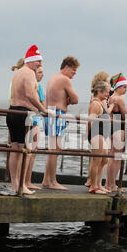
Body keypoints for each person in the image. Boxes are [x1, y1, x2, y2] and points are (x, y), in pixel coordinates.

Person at [7, 45, 47, 194]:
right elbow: (30, 95)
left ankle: (15, 184)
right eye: (38, 61)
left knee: (15, 149)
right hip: (23, 114)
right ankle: (21, 185)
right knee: (23, 150)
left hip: (12, 112)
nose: (40, 65)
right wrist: (43, 110)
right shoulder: (29, 73)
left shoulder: (17, 73)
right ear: (30, 60)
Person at [41, 56, 80, 190]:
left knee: (53, 149)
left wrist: (66, 100)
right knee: (54, 150)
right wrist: (68, 100)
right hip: (56, 114)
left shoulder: (53, 78)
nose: (74, 73)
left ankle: (46, 179)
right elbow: (75, 99)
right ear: (66, 68)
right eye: (73, 70)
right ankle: (52, 181)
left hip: (50, 112)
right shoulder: (64, 79)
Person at [85, 71, 110, 188]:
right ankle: (94, 186)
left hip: (100, 133)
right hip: (96, 133)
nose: (107, 95)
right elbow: (90, 121)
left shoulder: (99, 103)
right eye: (106, 92)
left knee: (104, 160)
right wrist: (90, 136)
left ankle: (97, 185)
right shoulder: (95, 104)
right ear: (99, 91)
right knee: (97, 160)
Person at [105, 73, 127, 192]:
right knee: (117, 157)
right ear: (118, 87)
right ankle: (113, 184)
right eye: (124, 87)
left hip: (112, 125)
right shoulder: (119, 98)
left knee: (112, 157)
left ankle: (108, 184)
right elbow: (125, 114)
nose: (126, 89)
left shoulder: (110, 97)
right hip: (119, 126)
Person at [24, 65, 46, 190]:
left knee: (32, 151)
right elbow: (42, 103)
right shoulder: (36, 86)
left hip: (35, 118)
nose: (42, 74)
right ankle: (26, 181)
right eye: (40, 72)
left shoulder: (37, 86)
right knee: (30, 152)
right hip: (34, 120)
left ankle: (27, 180)